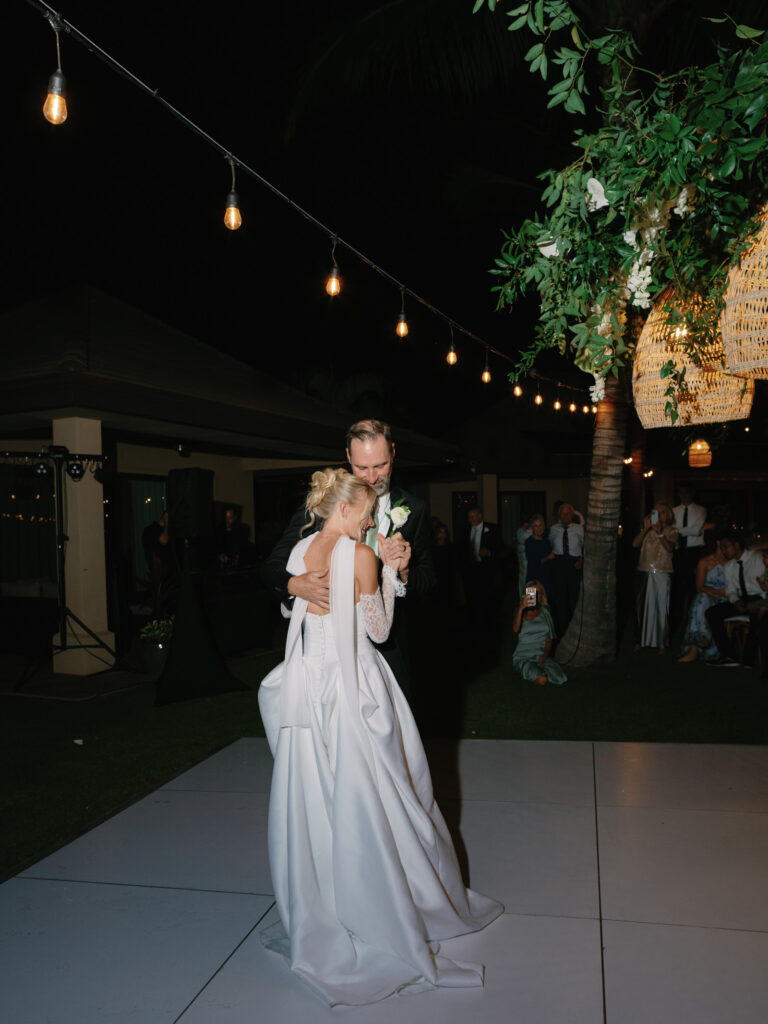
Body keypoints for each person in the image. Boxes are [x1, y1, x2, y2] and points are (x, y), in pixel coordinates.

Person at [258, 468, 502, 1005]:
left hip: (310, 689)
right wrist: (391, 572)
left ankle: (330, 900)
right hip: (354, 687)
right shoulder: (361, 556)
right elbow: (379, 629)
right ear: (343, 509)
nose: (371, 521)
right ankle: (385, 900)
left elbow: (289, 606)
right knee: (385, 794)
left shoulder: (300, 554)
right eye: (365, 512)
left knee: (320, 797)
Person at [262, 419, 435, 703]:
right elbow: (272, 566)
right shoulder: (324, 503)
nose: (371, 477)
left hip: (388, 652)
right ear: (348, 456)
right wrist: (293, 585)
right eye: (361, 468)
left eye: (380, 465)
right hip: (325, 658)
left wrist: (403, 573)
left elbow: (429, 578)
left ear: (393, 453)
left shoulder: (414, 509)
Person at [705, 531, 768, 667]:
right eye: (721, 548)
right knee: (712, 613)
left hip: (759, 599)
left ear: (737, 545)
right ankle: (728, 655)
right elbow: (731, 590)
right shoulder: (730, 566)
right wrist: (736, 601)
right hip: (742, 600)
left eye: (725, 547)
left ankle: (749, 659)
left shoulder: (757, 558)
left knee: (759, 615)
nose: (723, 551)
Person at [632, 503, 679, 652]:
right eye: (656, 512)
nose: (659, 515)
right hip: (644, 571)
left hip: (662, 572)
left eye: (663, 512)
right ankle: (640, 640)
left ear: (668, 514)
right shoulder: (647, 530)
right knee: (641, 608)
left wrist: (659, 533)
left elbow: (670, 547)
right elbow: (634, 544)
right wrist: (646, 528)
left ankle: (661, 642)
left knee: (661, 607)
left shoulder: (672, 530)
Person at [677, 535, 728, 663]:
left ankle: (700, 645)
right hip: (707, 595)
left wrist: (721, 593)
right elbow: (699, 587)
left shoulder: (731, 564)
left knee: (701, 601)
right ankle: (700, 641)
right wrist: (712, 592)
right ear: (718, 543)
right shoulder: (704, 562)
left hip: (725, 597)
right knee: (701, 599)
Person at [512, 579, 567, 686]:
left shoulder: (545, 612)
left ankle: (537, 670)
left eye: (538, 593)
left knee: (561, 678)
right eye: (532, 592)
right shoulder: (521, 612)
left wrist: (545, 655)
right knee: (542, 680)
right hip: (524, 657)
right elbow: (515, 629)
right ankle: (529, 670)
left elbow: (549, 639)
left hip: (541, 656)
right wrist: (521, 608)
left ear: (542, 596)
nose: (535, 596)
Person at [671, 485, 707, 631]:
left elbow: (696, 530)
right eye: (681, 492)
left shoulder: (700, 510)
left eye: (686, 492)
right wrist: (679, 531)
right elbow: (671, 531)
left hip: (693, 552)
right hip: (678, 551)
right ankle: (675, 621)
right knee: (677, 587)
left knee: (693, 586)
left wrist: (677, 530)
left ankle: (693, 620)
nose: (683, 495)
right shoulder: (674, 511)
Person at [548, 502, 585, 635]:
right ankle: (562, 630)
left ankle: (575, 630)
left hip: (574, 565)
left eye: (568, 513)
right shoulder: (553, 529)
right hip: (558, 564)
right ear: (559, 515)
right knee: (560, 598)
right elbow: (550, 546)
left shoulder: (579, 528)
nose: (565, 515)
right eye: (563, 513)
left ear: (572, 514)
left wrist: (582, 559)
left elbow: (585, 546)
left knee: (574, 598)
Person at [524, 514, 554, 600]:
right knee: (531, 606)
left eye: (541, 525)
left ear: (544, 526)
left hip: (546, 580)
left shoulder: (546, 541)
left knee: (545, 608)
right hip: (533, 580)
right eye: (536, 526)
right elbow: (533, 563)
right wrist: (548, 557)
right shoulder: (529, 542)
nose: (539, 528)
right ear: (532, 528)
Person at [215, 505, 251, 570]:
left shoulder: (240, 530)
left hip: (237, 565)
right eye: (226, 517)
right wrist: (219, 555)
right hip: (222, 565)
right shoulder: (219, 530)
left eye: (230, 518)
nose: (227, 520)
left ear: (234, 518)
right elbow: (216, 546)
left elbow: (241, 547)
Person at [515, 518, 532, 598]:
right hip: (524, 562)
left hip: (528, 563)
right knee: (525, 581)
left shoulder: (520, 531)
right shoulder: (521, 531)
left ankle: (528, 604)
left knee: (528, 582)